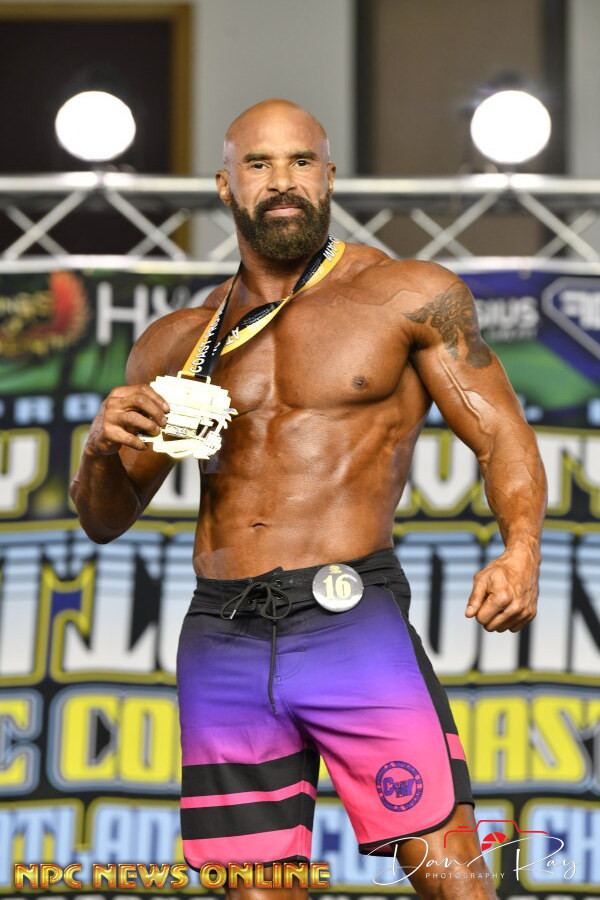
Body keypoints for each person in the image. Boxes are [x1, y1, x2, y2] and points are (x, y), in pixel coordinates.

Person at [71, 98, 547, 899]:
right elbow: (106, 518)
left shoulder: (407, 294)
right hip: (221, 631)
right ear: (225, 186)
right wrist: (97, 450)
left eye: (299, 162)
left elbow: (501, 434)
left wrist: (521, 548)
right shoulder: (178, 342)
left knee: (451, 875)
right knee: (256, 888)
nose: (281, 181)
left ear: (328, 177)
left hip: (349, 615)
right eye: (258, 164)